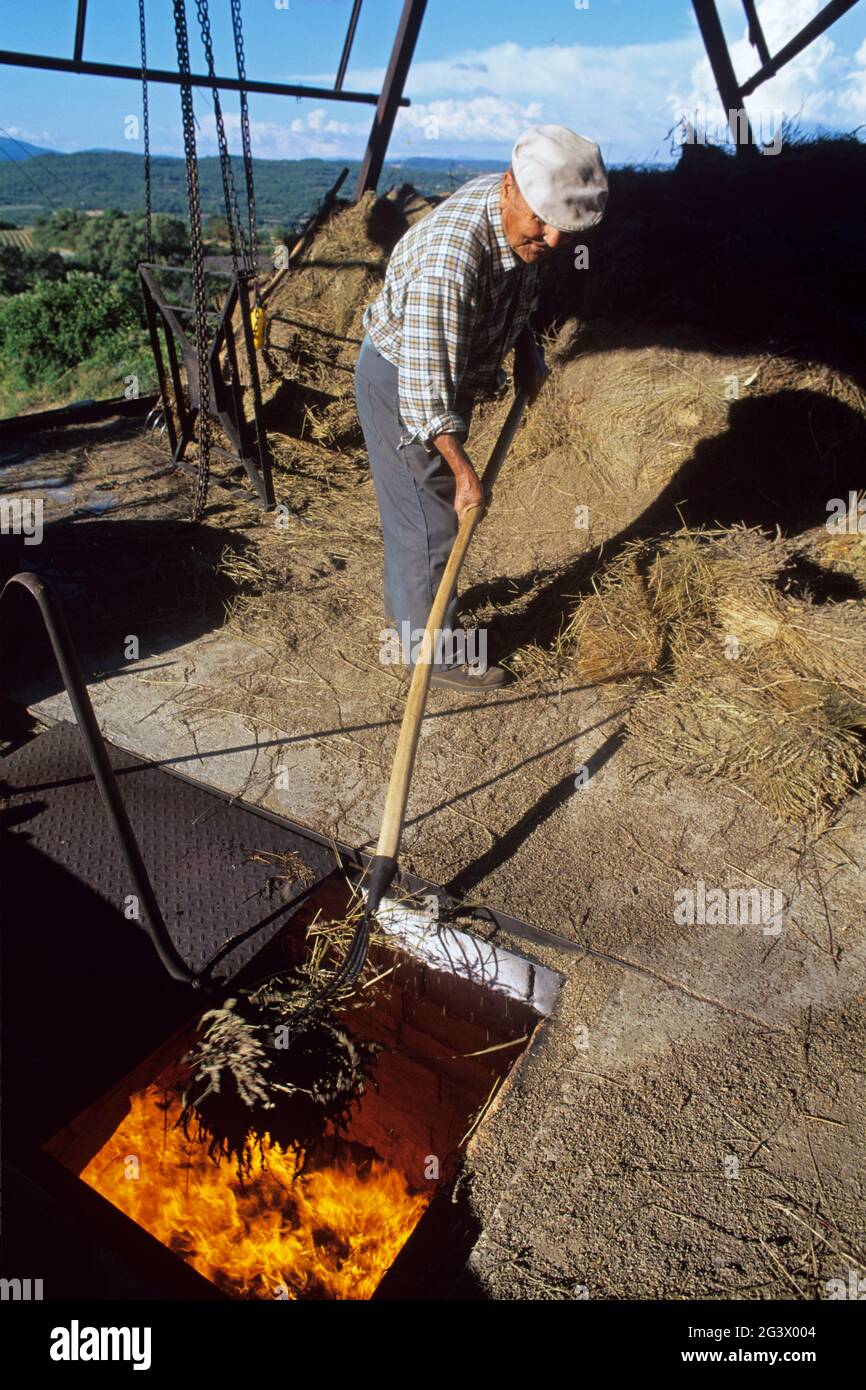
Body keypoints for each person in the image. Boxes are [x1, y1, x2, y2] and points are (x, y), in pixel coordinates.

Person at [355, 124, 608, 690]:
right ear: (509, 187)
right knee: (434, 523)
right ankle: (435, 657)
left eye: (563, 228)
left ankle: (409, 610)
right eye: (541, 221)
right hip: (403, 384)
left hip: (437, 370)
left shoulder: (517, 222)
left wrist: (525, 349)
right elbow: (424, 391)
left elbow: (511, 287)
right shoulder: (452, 260)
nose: (551, 239)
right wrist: (464, 470)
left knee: (417, 516)